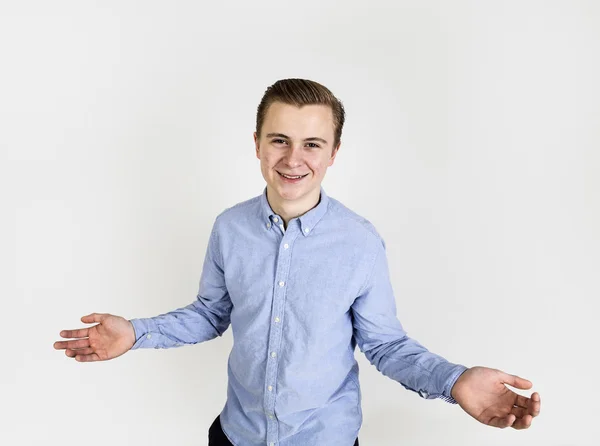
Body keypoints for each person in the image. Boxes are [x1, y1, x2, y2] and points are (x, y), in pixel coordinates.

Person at [54, 78, 541, 445]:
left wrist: (455, 381)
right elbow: (209, 314)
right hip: (235, 435)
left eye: (312, 143)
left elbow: (385, 346)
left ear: (333, 154)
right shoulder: (229, 227)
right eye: (279, 140)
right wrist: (135, 332)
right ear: (257, 144)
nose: (293, 158)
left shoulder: (360, 242)